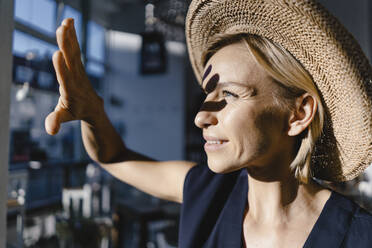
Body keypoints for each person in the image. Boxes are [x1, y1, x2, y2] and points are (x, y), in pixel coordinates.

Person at [45, 0, 372, 247]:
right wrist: (92, 113)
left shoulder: (358, 235)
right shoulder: (209, 192)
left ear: (299, 114)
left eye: (229, 94)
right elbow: (112, 157)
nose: (201, 115)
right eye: (207, 93)